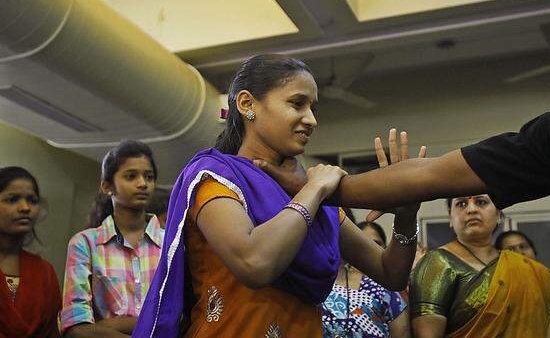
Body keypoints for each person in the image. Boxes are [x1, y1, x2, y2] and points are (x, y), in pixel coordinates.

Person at [256, 0, 550, 336]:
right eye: (295, 104)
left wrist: (317, 188)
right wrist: (313, 185)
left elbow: (394, 264)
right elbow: (430, 175)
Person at [133, 55, 424, 338]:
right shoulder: (215, 177)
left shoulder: (311, 193)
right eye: (297, 103)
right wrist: (312, 190)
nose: (311, 119)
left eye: (312, 107)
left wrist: (407, 216)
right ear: (248, 104)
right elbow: (254, 263)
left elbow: (391, 272)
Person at [410, 195, 550, 337]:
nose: (471, 209)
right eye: (461, 203)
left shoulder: (524, 268)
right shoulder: (438, 262)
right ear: (450, 217)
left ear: (498, 214)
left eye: (481, 202)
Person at [61, 140, 164, 338]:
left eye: (149, 177)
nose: (143, 183)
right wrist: (148, 325)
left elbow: (179, 318)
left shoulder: (171, 243)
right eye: (131, 176)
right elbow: (76, 327)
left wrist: (109, 325)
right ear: (108, 186)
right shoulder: (85, 243)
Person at [321, 219, 410, 338]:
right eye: (363, 243)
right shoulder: (312, 284)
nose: (369, 249)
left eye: (376, 244)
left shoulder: (386, 288)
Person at [0, 167, 61, 337]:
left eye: (32, 200)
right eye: (12, 200)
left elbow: (51, 331)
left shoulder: (44, 271)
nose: (25, 207)